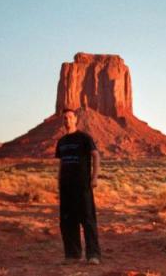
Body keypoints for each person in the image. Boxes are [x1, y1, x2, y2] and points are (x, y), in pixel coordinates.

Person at [55, 108, 102, 265]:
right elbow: (61, 162)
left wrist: (94, 177)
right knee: (67, 221)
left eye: (69, 117)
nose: (67, 120)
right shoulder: (61, 142)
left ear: (76, 119)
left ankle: (93, 255)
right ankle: (72, 255)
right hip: (66, 187)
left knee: (88, 219)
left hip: (82, 186)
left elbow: (96, 156)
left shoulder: (84, 138)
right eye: (65, 118)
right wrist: (59, 180)